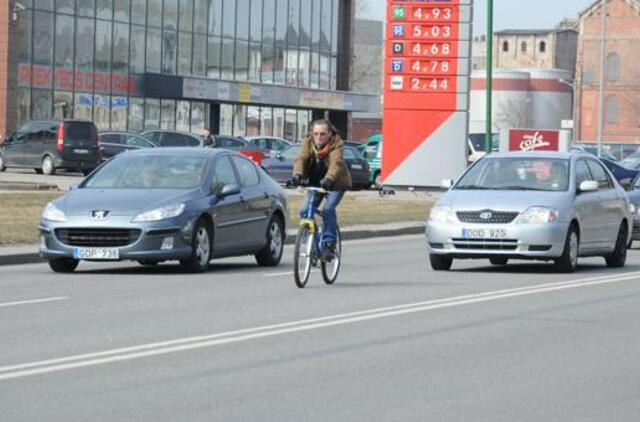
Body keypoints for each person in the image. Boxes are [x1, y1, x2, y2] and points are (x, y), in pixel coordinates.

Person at [290, 119, 352, 259]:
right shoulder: (308, 142)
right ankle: (314, 244)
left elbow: (336, 163)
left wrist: (329, 178)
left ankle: (329, 243)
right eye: (316, 133)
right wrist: (297, 175)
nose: (319, 137)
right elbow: (301, 158)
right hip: (316, 181)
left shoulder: (337, 143)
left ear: (330, 134)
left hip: (335, 182)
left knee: (328, 209)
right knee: (305, 210)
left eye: (323, 134)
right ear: (312, 133)